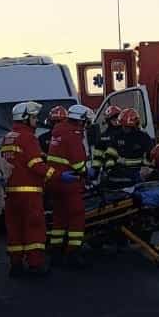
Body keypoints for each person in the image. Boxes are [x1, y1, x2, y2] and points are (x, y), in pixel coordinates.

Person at [0, 101, 55, 276]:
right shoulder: (28, 137)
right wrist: (55, 175)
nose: (36, 120)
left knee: (15, 228)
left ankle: (16, 265)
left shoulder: (8, 137)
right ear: (25, 118)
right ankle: (35, 264)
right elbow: (35, 165)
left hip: (10, 193)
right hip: (29, 193)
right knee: (34, 227)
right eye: (33, 117)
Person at [47, 104, 92, 267]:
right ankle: (73, 253)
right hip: (70, 183)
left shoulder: (58, 131)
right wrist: (87, 172)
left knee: (59, 217)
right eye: (85, 121)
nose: (86, 124)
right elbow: (78, 163)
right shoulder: (73, 135)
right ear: (80, 121)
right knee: (76, 217)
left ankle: (55, 252)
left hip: (55, 181)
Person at [105, 108, 154, 189]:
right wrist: (109, 169)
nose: (124, 129)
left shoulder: (143, 137)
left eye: (127, 127)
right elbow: (109, 154)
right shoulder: (117, 136)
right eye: (123, 126)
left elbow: (150, 157)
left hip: (139, 172)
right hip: (120, 172)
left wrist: (146, 169)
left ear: (135, 125)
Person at [44, 106, 70, 257]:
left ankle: (54, 245)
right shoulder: (70, 137)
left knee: (56, 215)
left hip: (52, 183)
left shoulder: (43, 139)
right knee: (57, 215)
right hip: (58, 182)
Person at [90, 104, 122, 181]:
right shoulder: (104, 136)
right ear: (108, 120)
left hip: (126, 169)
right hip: (109, 172)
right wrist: (95, 169)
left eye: (118, 118)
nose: (116, 121)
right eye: (113, 119)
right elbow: (98, 156)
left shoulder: (126, 133)